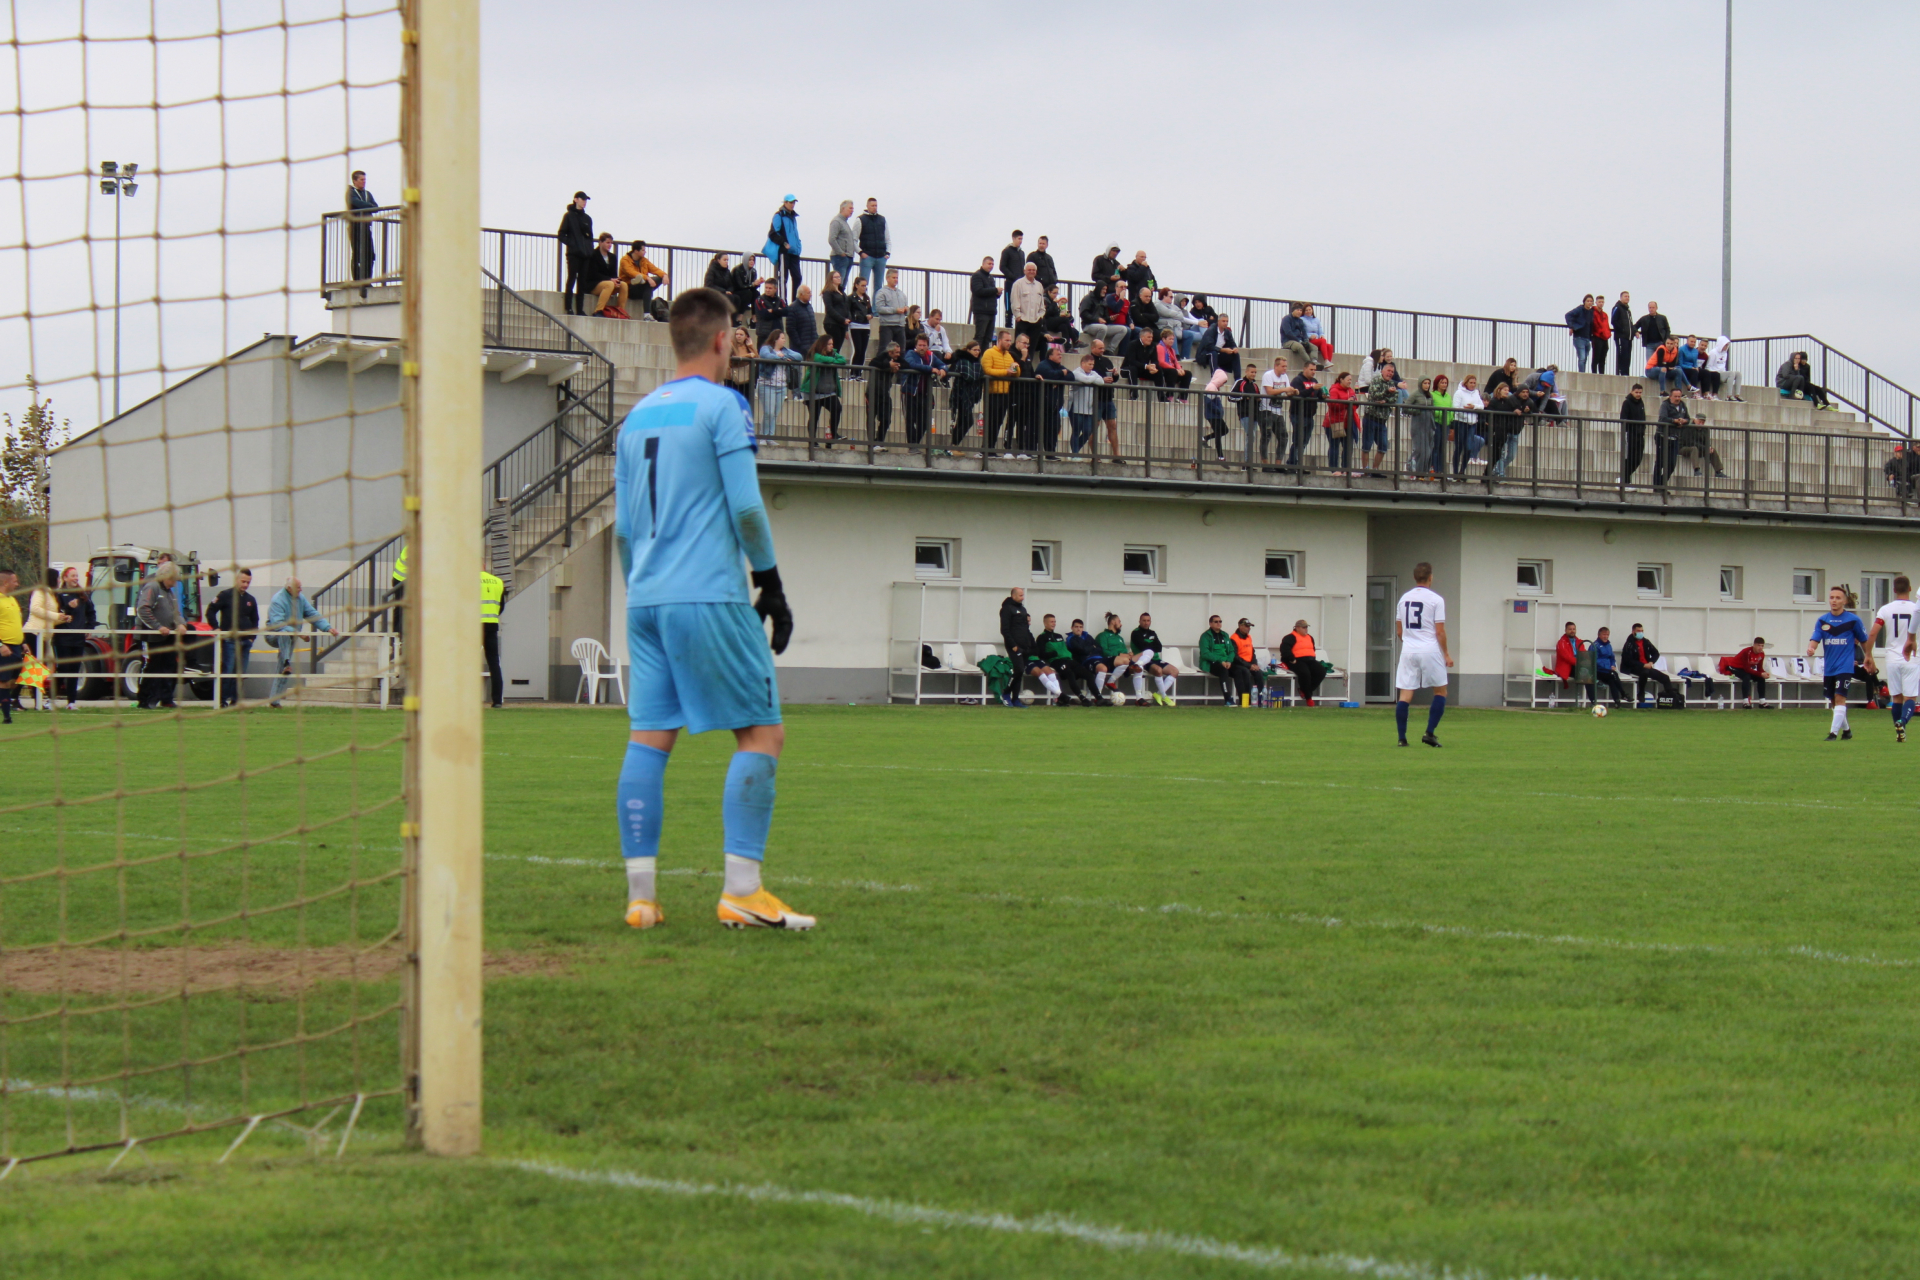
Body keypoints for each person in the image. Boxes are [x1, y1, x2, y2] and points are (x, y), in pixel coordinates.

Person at [611, 286, 807, 932]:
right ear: (723, 340)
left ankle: (641, 899)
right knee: (762, 733)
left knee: (649, 739)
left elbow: (623, 531)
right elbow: (746, 508)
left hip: (646, 599)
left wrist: (643, 589)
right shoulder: (725, 406)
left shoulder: (636, 417)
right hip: (708, 594)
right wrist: (770, 584)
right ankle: (742, 891)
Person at [1394, 562, 1452, 746]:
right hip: (1429, 650)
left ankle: (1402, 739)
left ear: (1414, 577)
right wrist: (1446, 654)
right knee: (1440, 691)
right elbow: (1440, 631)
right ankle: (1429, 733)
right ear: (1430, 578)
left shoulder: (1403, 599)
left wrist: (1410, 643)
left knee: (1405, 694)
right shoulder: (1436, 599)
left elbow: (1399, 631)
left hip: (1408, 650)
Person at [1809, 585, 1871, 740]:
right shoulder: (1822, 620)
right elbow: (1815, 638)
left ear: (1845, 601)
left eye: (1838, 598)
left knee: (1840, 698)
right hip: (1830, 667)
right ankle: (1847, 731)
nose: (1834, 600)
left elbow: (1864, 640)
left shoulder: (1853, 620)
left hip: (1845, 666)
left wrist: (1869, 657)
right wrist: (1811, 648)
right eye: (1832, 597)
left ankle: (1833, 733)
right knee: (1833, 701)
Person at [264, 576, 334, 708]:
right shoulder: (277, 600)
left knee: (283, 667)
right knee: (284, 633)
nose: (301, 590)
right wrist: (300, 634)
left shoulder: (300, 598)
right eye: (298, 588)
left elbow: (312, 614)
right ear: (289, 589)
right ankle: (286, 662)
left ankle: (275, 701)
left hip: (291, 636)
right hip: (273, 635)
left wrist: (328, 628)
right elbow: (278, 624)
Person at [1868, 578, 1918, 739]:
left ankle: (1900, 732)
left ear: (1894, 590)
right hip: (1912, 657)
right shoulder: (1916, 608)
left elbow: (1873, 633)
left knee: (1896, 697)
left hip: (1892, 658)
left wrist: (1868, 654)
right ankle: (1902, 722)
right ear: (1910, 589)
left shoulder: (1886, 609)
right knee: (1910, 697)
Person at [133, 561, 187, 709]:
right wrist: (158, 626)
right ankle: (145, 700)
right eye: (174, 578)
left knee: (170, 665)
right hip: (151, 637)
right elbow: (143, 609)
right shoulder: (152, 587)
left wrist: (181, 623)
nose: (175, 582)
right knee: (153, 667)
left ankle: (166, 698)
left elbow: (175, 612)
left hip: (168, 637)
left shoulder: (170, 593)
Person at [206, 566, 260, 708]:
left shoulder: (251, 599)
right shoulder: (225, 595)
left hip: (245, 641)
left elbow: (255, 620)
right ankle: (222, 700)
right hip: (229, 640)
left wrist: (252, 637)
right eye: (243, 581)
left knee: (241, 672)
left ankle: (235, 701)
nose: (245, 585)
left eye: (248, 582)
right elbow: (210, 611)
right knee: (228, 670)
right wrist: (216, 628)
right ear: (236, 580)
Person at [49, 565, 94, 710]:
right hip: (62, 638)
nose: (75, 578)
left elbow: (91, 612)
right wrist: (69, 608)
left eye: (76, 576)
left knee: (75, 669)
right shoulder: (58, 595)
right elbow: (57, 614)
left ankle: (71, 702)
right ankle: (51, 699)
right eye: (72, 576)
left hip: (78, 639)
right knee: (63, 668)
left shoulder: (82, 595)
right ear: (65, 578)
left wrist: (89, 628)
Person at [901, 335, 947, 449]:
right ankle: (913, 446)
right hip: (910, 392)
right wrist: (930, 369)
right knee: (910, 420)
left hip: (925, 393)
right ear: (916, 346)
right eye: (920, 345)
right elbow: (912, 364)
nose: (922, 347)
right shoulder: (910, 353)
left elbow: (943, 364)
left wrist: (943, 369)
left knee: (924, 422)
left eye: (924, 345)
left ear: (928, 346)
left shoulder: (931, 355)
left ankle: (914, 444)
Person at [799, 335, 847, 444]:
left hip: (828, 392)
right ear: (823, 345)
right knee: (814, 416)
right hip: (813, 391)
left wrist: (832, 360)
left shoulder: (834, 353)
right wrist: (833, 360)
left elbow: (843, 360)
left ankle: (834, 434)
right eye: (829, 344)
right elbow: (820, 359)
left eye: (832, 344)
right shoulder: (814, 354)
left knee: (837, 408)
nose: (831, 346)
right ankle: (812, 441)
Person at [1123, 613, 1178, 707]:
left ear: (1150, 622)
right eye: (1144, 620)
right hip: (1144, 660)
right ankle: (1164, 696)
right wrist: (1152, 645)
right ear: (1139, 621)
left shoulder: (1152, 633)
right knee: (1158, 670)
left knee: (1175, 671)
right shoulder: (1136, 633)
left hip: (1156, 659)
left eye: (1148, 621)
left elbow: (1159, 647)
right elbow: (1143, 647)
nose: (1146, 623)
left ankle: (1159, 694)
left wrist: (1149, 645)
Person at [1620, 622, 1679, 708]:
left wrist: (1651, 662)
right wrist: (1642, 665)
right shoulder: (1629, 644)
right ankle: (1641, 693)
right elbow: (1628, 660)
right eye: (1638, 631)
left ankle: (1671, 699)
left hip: (1647, 666)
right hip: (1633, 667)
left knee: (1665, 678)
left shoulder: (1646, 642)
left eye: (1642, 631)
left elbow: (1656, 653)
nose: (1640, 633)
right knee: (1644, 672)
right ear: (1633, 632)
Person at [755, 329, 800, 436]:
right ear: (775, 339)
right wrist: (781, 358)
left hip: (781, 386)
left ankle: (770, 437)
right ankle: (763, 436)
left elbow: (799, 356)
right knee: (768, 412)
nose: (784, 340)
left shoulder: (785, 351)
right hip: (767, 384)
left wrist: (784, 356)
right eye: (782, 338)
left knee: (775, 413)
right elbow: (767, 356)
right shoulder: (766, 348)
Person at [998, 586, 1036, 708]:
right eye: (1020, 595)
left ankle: (1015, 699)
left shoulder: (1023, 609)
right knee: (1018, 670)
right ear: (1013, 596)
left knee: (1020, 673)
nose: (1022, 597)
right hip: (1014, 646)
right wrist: (1013, 645)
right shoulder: (1007, 609)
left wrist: (1029, 645)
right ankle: (1006, 693)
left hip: (1024, 646)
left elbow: (1025, 629)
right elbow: (1004, 630)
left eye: (1023, 595)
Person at [980, 329, 1017, 455]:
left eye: (1010, 341)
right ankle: (986, 448)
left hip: (1005, 393)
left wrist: (1016, 369)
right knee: (991, 422)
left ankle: (991, 448)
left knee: (998, 422)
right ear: (999, 340)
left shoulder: (1009, 355)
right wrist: (1006, 372)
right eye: (1007, 340)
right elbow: (987, 370)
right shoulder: (989, 353)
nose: (1009, 343)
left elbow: (1016, 372)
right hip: (992, 393)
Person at [557, 191, 594, 316]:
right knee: (572, 278)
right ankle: (568, 307)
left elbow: (590, 237)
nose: (584, 202)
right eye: (582, 199)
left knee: (582, 282)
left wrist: (589, 250)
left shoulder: (587, 218)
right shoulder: (569, 216)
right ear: (576, 199)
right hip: (573, 254)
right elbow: (561, 234)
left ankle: (580, 309)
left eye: (585, 200)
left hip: (585, 255)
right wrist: (572, 244)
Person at [1035, 615, 1085, 705]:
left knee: (1085, 672)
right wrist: (1053, 654)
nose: (1054, 624)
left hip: (1066, 661)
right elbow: (1041, 654)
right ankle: (1061, 697)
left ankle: (1095, 697)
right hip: (1052, 662)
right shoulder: (1041, 637)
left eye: (1054, 621)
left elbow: (1064, 651)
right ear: (1045, 623)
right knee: (1068, 673)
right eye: (1051, 622)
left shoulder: (1058, 636)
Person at [1196, 613, 1243, 706]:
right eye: (1216, 622)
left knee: (1241, 670)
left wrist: (1229, 661)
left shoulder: (1225, 635)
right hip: (1211, 663)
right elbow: (1205, 653)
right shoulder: (1205, 636)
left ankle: (1244, 700)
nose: (1218, 623)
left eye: (1220, 621)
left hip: (1226, 662)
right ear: (1210, 624)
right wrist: (1221, 661)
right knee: (1224, 671)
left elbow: (1232, 651)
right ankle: (1228, 699)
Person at [762, 193, 803, 300]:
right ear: (785, 203)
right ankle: (783, 301)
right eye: (790, 202)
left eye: (794, 202)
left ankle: (795, 302)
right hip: (784, 253)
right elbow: (773, 233)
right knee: (783, 278)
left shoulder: (793, 217)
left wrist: (798, 245)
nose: (792, 204)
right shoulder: (779, 215)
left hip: (794, 252)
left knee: (797, 277)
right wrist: (784, 243)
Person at [1653, 386, 1695, 490]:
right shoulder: (1665, 405)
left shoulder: (1682, 405)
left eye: (1679, 396)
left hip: (1675, 438)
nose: (1677, 398)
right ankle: (1656, 487)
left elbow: (1688, 418)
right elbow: (1662, 418)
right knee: (1660, 463)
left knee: (1672, 464)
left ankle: (1661, 484)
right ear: (1670, 396)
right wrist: (1674, 421)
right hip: (1662, 437)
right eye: (1675, 396)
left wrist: (1684, 421)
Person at [947, 339, 983, 451]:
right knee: (968, 421)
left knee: (962, 421)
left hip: (970, 396)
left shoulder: (977, 363)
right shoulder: (963, 360)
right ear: (968, 350)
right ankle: (954, 444)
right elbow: (969, 376)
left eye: (978, 350)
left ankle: (953, 446)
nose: (977, 352)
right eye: (974, 350)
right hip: (961, 395)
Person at [346, 169, 380, 291]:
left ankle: (367, 280)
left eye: (365, 179)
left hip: (366, 226)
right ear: (355, 181)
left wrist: (368, 206)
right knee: (357, 253)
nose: (364, 182)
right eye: (361, 180)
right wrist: (369, 206)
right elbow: (356, 203)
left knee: (370, 254)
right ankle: (357, 281)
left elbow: (376, 207)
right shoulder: (351, 193)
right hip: (355, 226)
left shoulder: (367, 194)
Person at [1088, 338, 1121, 459]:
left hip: (1108, 398)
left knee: (1112, 425)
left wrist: (1115, 375)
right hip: (1095, 398)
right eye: (1100, 348)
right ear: (1093, 348)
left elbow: (1113, 379)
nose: (1102, 350)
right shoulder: (1088, 360)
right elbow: (1086, 376)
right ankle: (1095, 455)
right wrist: (1102, 380)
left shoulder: (1107, 360)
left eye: (1103, 348)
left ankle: (1117, 455)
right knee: (1094, 427)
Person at [1258, 356, 1294, 465]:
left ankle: (1278, 463)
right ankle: (1265, 463)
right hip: (1266, 410)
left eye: (1286, 366)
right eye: (1283, 366)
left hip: (1278, 411)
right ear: (1276, 366)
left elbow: (1288, 392)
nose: (1285, 368)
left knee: (1283, 437)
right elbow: (1269, 391)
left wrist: (1294, 391)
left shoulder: (1285, 377)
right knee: (1266, 436)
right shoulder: (1268, 375)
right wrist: (1285, 389)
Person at [584, 232, 629, 318]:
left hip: (609, 283)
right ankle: (598, 310)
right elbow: (593, 273)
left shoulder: (613, 257)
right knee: (609, 284)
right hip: (594, 284)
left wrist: (616, 280)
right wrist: (610, 279)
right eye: (607, 242)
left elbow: (613, 274)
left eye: (611, 243)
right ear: (600, 242)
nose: (610, 245)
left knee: (623, 285)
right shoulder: (593, 254)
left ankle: (620, 311)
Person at [1278, 619, 1324, 704]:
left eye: (1306, 627)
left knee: (1321, 671)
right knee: (1305, 673)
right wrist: (1292, 659)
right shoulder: (1290, 637)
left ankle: (1305, 690)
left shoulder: (1310, 637)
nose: (1306, 629)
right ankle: (1308, 697)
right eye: (1304, 627)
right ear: (1297, 628)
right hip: (1296, 660)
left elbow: (1312, 649)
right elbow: (1285, 650)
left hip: (1310, 660)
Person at [1716, 637, 1771, 709]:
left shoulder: (1761, 654)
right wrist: (1760, 674)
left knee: (1761, 678)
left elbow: (1759, 668)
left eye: (1762, 646)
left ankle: (1762, 702)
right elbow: (1747, 669)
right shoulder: (1747, 652)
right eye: (1758, 645)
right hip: (1735, 667)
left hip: (1745, 669)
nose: (1760, 648)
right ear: (1754, 645)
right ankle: (1745, 702)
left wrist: (1764, 673)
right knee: (1746, 676)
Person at [480, 568, 507, 708]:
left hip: (473, 626)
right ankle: (497, 700)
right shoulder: (498, 582)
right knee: (494, 663)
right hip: (491, 625)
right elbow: (501, 606)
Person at [1551, 620, 1595, 707]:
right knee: (1586, 674)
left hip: (1578, 666)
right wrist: (1580, 663)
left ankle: (1594, 701)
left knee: (1589, 674)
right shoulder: (1561, 642)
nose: (1572, 631)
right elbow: (1566, 657)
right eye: (1570, 629)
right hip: (1567, 667)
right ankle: (1594, 701)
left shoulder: (1579, 642)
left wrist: (1586, 662)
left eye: (1574, 629)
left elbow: (1584, 654)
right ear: (1565, 630)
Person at [868, 340, 902, 448]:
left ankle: (879, 441)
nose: (898, 355)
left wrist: (896, 367)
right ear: (890, 352)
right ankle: (872, 444)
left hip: (884, 392)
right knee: (871, 418)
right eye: (896, 352)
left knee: (886, 419)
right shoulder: (883, 356)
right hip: (873, 391)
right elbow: (872, 363)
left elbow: (906, 364)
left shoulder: (897, 360)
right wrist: (888, 365)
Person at [1010, 261, 1048, 359]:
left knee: (1031, 347)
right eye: (1029, 270)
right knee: (1019, 347)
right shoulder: (1018, 284)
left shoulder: (1039, 285)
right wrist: (1018, 315)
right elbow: (1014, 300)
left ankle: (1028, 365)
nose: (1031, 272)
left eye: (1033, 270)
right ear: (1024, 271)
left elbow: (1041, 304)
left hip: (1036, 321)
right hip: (1023, 320)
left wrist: (1041, 316)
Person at [1065, 618, 1109, 703]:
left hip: (1097, 658)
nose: (1079, 629)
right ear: (1072, 628)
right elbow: (1082, 650)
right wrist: (1092, 647)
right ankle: (1098, 697)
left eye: (1080, 627)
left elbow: (1100, 648)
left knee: (1119, 661)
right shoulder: (1071, 639)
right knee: (1099, 670)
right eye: (1076, 627)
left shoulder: (1087, 636)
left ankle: (1102, 694)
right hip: (1083, 662)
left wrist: (1089, 648)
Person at [619, 241, 667, 318]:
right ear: (636, 251)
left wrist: (664, 275)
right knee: (647, 283)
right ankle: (647, 314)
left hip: (642, 288)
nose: (645, 252)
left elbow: (655, 269)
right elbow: (630, 272)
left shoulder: (644, 260)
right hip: (629, 289)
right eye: (643, 250)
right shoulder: (625, 260)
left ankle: (647, 314)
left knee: (657, 279)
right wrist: (647, 278)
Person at [1324, 369, 1358, 474]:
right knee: (1334, 446)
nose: (1350, 382)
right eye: (1348, 380)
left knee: (1348, 447)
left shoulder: (1350, 390)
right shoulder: (1334, 390)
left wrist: (1353, 402)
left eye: (1351, 380)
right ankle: (1334, 469)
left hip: (1348, 423)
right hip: (1334, 422)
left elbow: (1355, 403)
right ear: (1341, 380)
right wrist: (1347, 402)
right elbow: (1332, 405)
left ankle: (1345, 469)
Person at [1450, 374, 1483, 475]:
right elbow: (1456, 407)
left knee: (1468, 447)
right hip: (1461, 422)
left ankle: (1462, 470)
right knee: (1459, 447)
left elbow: (1481, 406)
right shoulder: (1459, 392)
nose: (1472, 385)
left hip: (1472, 423)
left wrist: (1473, 407)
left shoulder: (1476, 393)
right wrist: (1465, 414)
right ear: (1466, 383)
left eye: (1474, 383)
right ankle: (1455, 471)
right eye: (1471, 382)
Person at [1227, 618, 1265, 706]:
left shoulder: (1248, 637)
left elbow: (1252, 652)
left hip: (1248, 664)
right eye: (1246, 626)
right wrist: (1249, 666)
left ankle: (1260, 698)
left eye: (1249, 626)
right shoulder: (1234, 638)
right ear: (1240, 626)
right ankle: (1246, 700)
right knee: (1245, 672)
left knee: (1259, 673)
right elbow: (1235, 657)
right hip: (1237, 664)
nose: (1249, 628)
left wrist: (1254, 664)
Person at [855, 196, 888, 293]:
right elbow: (853, 239)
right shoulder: (860, 219)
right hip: (867, 256)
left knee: (879, 285)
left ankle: (876, 303)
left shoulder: (882, 219)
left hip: (881, 256)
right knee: (863, 283)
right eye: (872, 205)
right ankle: (862, 301)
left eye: (876, 205)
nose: (874, 207)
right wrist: (860, 252)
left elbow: (887, 237)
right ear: (867, 206)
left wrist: (887, 253)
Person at [873, 268, 909, 356]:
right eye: (894, 277)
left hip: (900, 325)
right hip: (887, 325)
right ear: (887, 278)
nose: (896, 280)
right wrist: (895, 310)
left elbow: (907, 310)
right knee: (884, 350)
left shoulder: (901, 293)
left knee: (901, 351)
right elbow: (879, 309)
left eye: (897, 278)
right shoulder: (881, 292)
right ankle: (880, 365)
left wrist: (906, 310)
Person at [0, 569, 21, 723]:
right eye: (15, 581)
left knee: (14, 681)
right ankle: (7, 717)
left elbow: (15, 623)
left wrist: (23, 642)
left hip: (16, 647)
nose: (17, 584)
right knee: (4, 681)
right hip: (4, 647)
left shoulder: (12, 599)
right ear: (6, 583)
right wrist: (1, 645)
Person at [1619, 383, 1649, 483]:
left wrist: (1642, 430)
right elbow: (1623, 418)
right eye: (1636, 392)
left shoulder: (1641, 403)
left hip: (1640, 435)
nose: (1638, 394)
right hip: (1630, 434)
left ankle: (1625, 478)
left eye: (1640, 392)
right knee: (1629, 458)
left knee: (1638, 459)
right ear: (1632, 392)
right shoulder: (1627, 403)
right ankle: (1625, 480)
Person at [968, 256, 1000, 349]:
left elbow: (990, 292)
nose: (991, 266)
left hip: (991, 311)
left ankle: (984, 357)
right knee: (980, 337)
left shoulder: (991, 277)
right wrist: (995, 290)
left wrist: (997, 293)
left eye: (992, 264)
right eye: (989, 264)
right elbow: (978, 291)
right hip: (981, 311)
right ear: (983, 264)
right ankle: (976, 356)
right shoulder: (977, 276)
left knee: (988, 338)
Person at [1593, 626, 1629, 706]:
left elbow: (1612, 657)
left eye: (1607, 635)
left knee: (1612, 680)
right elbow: (1594, 661)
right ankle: (1623, 694)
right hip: (1598, 671)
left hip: (1608, 671)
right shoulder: (1595, 646)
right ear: (1599, 635)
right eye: (1604, 634)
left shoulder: (1608, 645)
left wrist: (1612, 665)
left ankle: (1617, 702)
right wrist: (1606, 667)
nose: (1606, 636)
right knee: (1614, 674)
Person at [1195, 312, 1240, 377]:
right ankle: (1215, 377)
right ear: (1218, 321)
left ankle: (1238, 379)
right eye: (1223, 321)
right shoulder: (1211, 330)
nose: (1225, 323)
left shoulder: (1227, 332)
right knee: (1213, 353)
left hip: (1218, 355)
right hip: (1204, 355)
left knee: (1235, 355)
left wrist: (1234, 348)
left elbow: (1232, 344)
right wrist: (1223, 350)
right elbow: (1209, 346)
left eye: (1227, 321)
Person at [827, 199, 857, 290]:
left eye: (853, 208)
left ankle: (841, 297)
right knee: (838, 283)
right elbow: (831, 239)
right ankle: (836, 298)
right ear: (843, 208)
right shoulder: (836, 221)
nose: (852, 210)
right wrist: (841, 253)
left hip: (848, 257)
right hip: (840, 258)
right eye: (850, 208)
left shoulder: (845, 222)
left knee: (843, 284)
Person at [820, 270, 851, 356]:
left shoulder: (842, 292)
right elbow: (829, 309)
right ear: (831, 279)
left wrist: (847, 321)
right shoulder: (828, 292)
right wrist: (842, 319)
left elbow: (846, 307)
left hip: (842, 324)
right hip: (832, 323)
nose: (839, 278)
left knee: (838, 348)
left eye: (839, 277)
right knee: (834, 347)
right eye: (836, 277)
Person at [1634, 301, 1670, 371]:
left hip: (1660, 344)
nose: (1651, 309)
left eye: (1653, 307)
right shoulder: (1644, 319)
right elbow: (1634, 326)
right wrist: (1636, 332)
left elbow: (1667, 329)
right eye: (1650, 307)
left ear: (1656, 308)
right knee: (1650, 363)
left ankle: (1660, 375)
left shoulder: (1662, 318)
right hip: (1649, 344)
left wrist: (1666, 341)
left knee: (1660, 362)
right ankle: (1651, 375)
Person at [846, 276, 873, 371]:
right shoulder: (851, 298)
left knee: (863, 351)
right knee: (857, 349)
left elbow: (871, 311)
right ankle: (853, 372)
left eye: (865, 286)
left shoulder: (867, 298)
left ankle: (859, 372)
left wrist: (870, 315)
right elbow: (847, 312)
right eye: (862, 285)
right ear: (856, 285)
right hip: (855, 325)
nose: (864, 288)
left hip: (866, 326)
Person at [999, 231, 1026, 325]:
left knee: (1021, 304)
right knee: (1009, 303)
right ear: (1013, 238)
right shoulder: (1007, 251)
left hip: (1021, 284)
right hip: (1010, 282)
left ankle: (1020, 324)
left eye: (1021, 239)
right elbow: (1002, 267)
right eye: (1019, 239)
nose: (1020, 241)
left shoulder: (1022, 253)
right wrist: (1012, 276)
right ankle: (1008, 324)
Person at [1706, 335, 1743, 401]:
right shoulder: (1713, 352)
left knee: (1738, 374)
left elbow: (1723, 366)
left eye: (1727, 345)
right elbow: (1708, 366)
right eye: (1725, 345)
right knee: (1731, 373)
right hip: (1715, 374)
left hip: (1722, 373)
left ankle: (1737, 395)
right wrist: (1715, 372)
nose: (1727, 347)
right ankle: (1729, 396)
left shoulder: (1725, 353)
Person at [784, 283, 817, 355]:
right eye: (808, 293)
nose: (811, 295)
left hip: (811, 347)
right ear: (801, 294)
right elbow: (790, 329)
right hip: (799, 349)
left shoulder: (809, 307)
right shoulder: (793, 308)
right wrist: (799, 344)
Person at [751, 277, 786, 345]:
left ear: (775, 289)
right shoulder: (759, 300)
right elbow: (765, 315)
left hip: (777, 335)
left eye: (770, 288)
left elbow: (786, 311)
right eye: (766, 288)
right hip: (764, 335)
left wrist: (773, 311)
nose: (767, 290)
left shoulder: (780, 300)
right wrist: (779, 311)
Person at [1565, 295, 1595, 374]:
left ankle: (1583, 372)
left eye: (1591, 301)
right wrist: (1571, 326)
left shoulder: (1591, 312)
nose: (1589, 303)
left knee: (1585, 358)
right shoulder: (1580, 309)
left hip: (1587, 338)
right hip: (1579, 337)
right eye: (1588, 301)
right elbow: (1568, 315)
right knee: (1582, 358)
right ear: (1584, 302)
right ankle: (1582, 373)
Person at [1611, 292, 1635, 375]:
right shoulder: (1617, 307)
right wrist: (1622, 330)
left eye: (1628, 296)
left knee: (1628, 356)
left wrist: (1633, 332)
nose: (1627, 298)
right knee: (1622, 355)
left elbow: (1630, 323)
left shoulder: (1628, 310)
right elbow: (1613, 321)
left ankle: (1626, 373)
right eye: (1625, 296)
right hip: (1621, 336)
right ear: (1621, 297)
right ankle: (1621, 373)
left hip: (1629, 337)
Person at [1589, 295, 1611, 376]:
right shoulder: (1593, 312)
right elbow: (1594, 324)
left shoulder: (1605, 314)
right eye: (1599, 302)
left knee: (1603, 358)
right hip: (1597, 336)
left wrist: (1608, 334)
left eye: (1602, 302)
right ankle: (1594, 374)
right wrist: (1600, 332)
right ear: (1596, 302)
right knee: (1596, 357)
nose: (1601, 303)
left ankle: (1602, 374)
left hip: (1605, 337)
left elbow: (1606, 325)